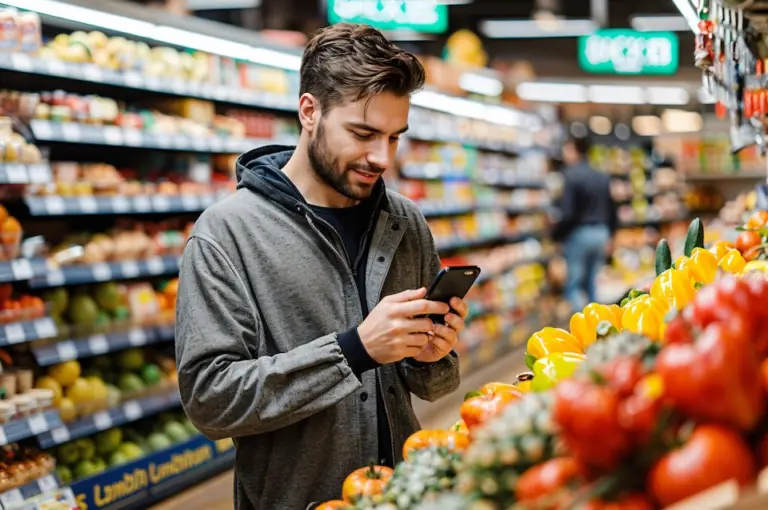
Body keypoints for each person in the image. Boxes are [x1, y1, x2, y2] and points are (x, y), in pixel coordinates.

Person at [175, 23, 465, 510]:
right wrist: (354, 350)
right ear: (310, 111)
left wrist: (431, 353)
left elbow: (435, 384)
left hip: (402, 495)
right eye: (363, 133)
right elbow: (210, 400)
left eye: (395, 138)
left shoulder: (405, 222)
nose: (381, 157)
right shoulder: (227, 234)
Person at [553, 136, 618, 311]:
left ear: (575, 150)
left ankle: (579, 330)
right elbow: (612, 209)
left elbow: (568, 213)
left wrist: (557, 235)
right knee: (592, 283)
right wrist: (611, 234)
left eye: (566, 150)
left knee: (574, 285)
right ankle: (596, 328)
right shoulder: (601, 176)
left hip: (579, 234)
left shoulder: (571, 176)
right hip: (601, 233)